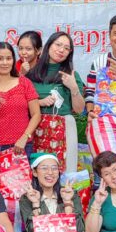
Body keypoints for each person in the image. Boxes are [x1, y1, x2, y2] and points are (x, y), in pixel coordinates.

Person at [26, 32, 85, 171]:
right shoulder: (32, 73)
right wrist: (39, 103)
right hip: (36, 127)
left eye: (66, 48)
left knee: (65, 170)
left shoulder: (71, 74)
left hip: (63, 127)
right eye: (58, 45)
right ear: (48, 46)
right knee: (37, 170)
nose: (61, 50)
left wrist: (73, 88)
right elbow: (21, 105)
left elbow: (79, 109)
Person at [0, 42, 41, 158]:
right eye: (0, 59)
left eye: (9, 58)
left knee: (23, 177)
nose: (5, 63)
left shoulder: (24, 83)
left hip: (22, 145)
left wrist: (24, 138)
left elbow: (36, 114)